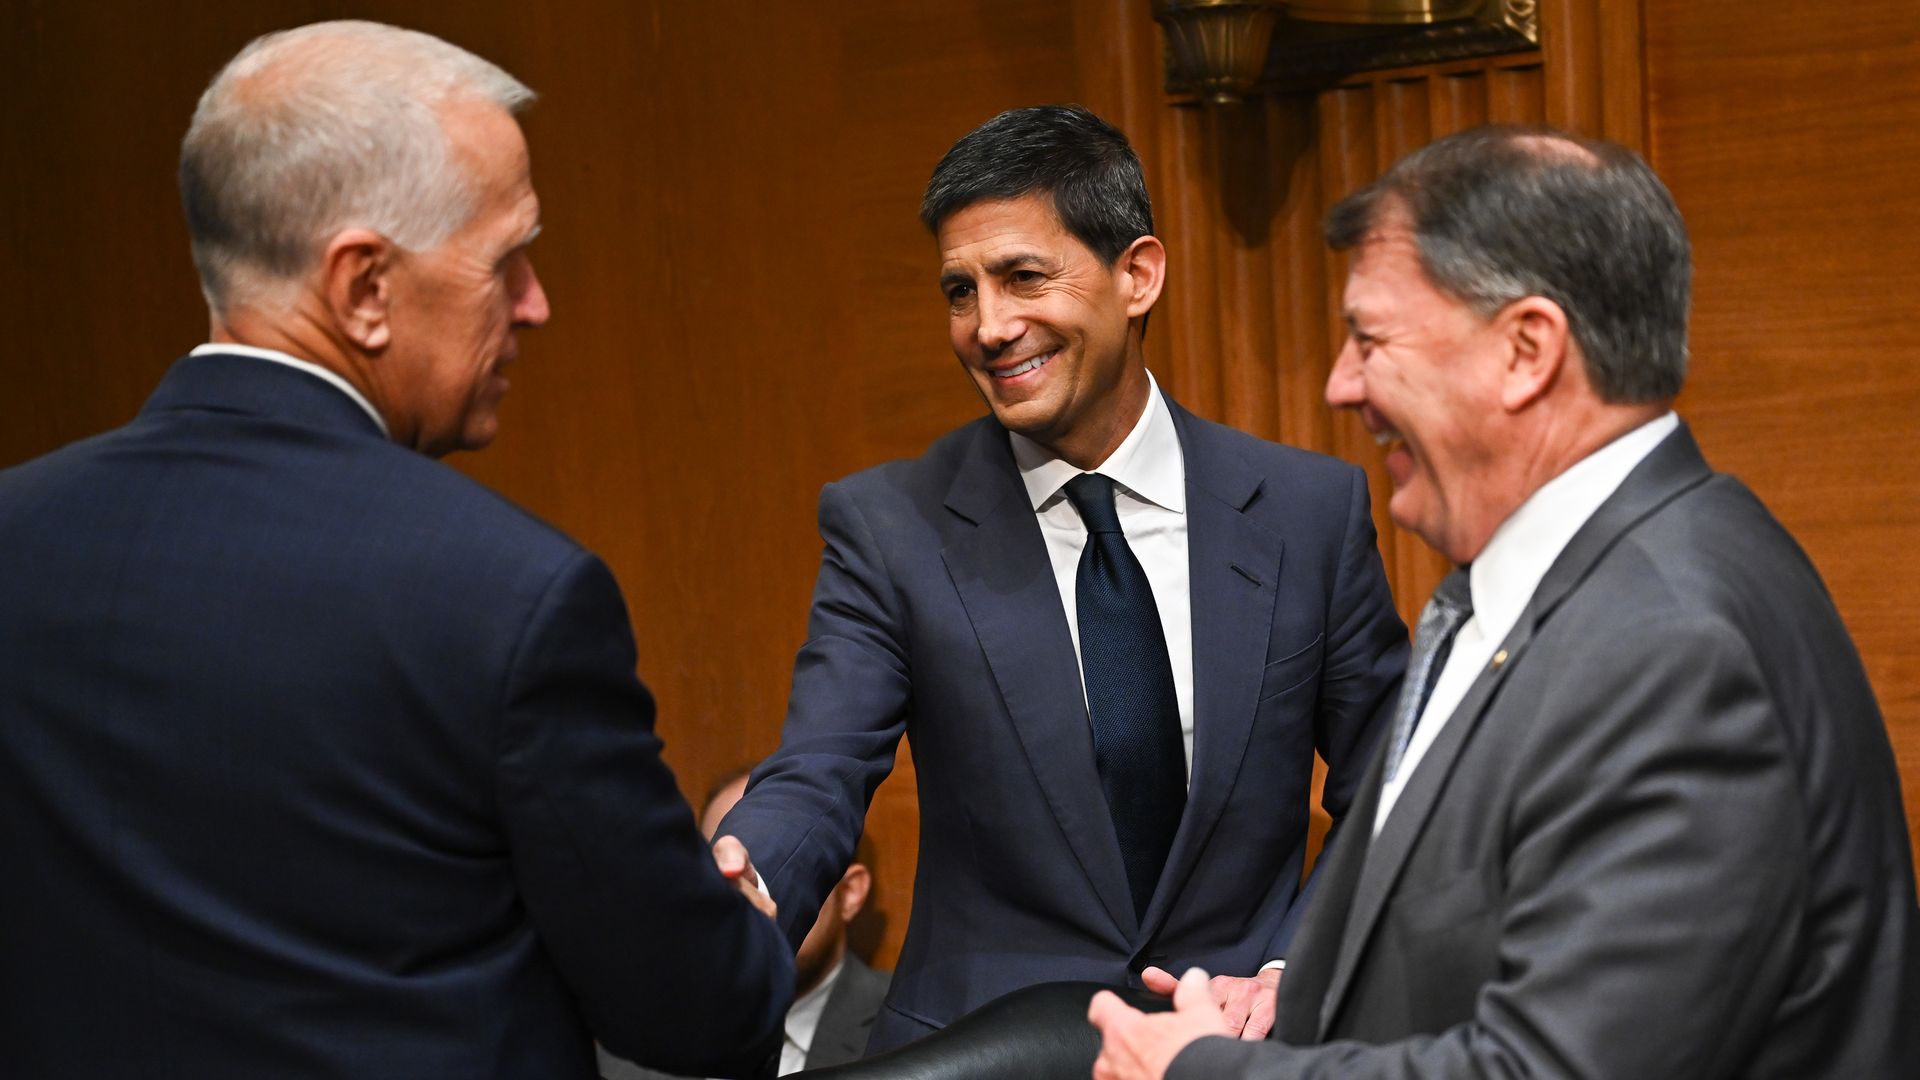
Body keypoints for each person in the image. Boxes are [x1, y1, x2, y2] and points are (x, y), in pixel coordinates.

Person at [0, 21, 792, 1079]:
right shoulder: (510, 597)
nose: (536, 304)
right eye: (506, 259)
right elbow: (699, 1012)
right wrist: (723, 913)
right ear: (363, 288)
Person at [1087, 125, 1920, 1079]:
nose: (1340, 385)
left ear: (1527, 350)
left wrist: (1197, 1070)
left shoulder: (1671, 646)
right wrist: (1286, 996)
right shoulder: (1581, 581)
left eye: (1370, 337)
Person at [712, 104, 1409, 1055]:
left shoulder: (1306, 513)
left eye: (1023, 277)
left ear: (1138, 275)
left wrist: (1293, 968)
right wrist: (744, 891)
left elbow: (1389, 789)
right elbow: (820, 770)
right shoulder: (889, 527)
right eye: (961, 291)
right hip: (983, 1057)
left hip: (1242, 1051)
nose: (990, 327)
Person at [602, 767, 890, 1078]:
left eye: (782, 866)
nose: (754, 896)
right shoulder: (624, 1036)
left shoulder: (910, 1027)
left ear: (850, 893)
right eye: (725, 873)